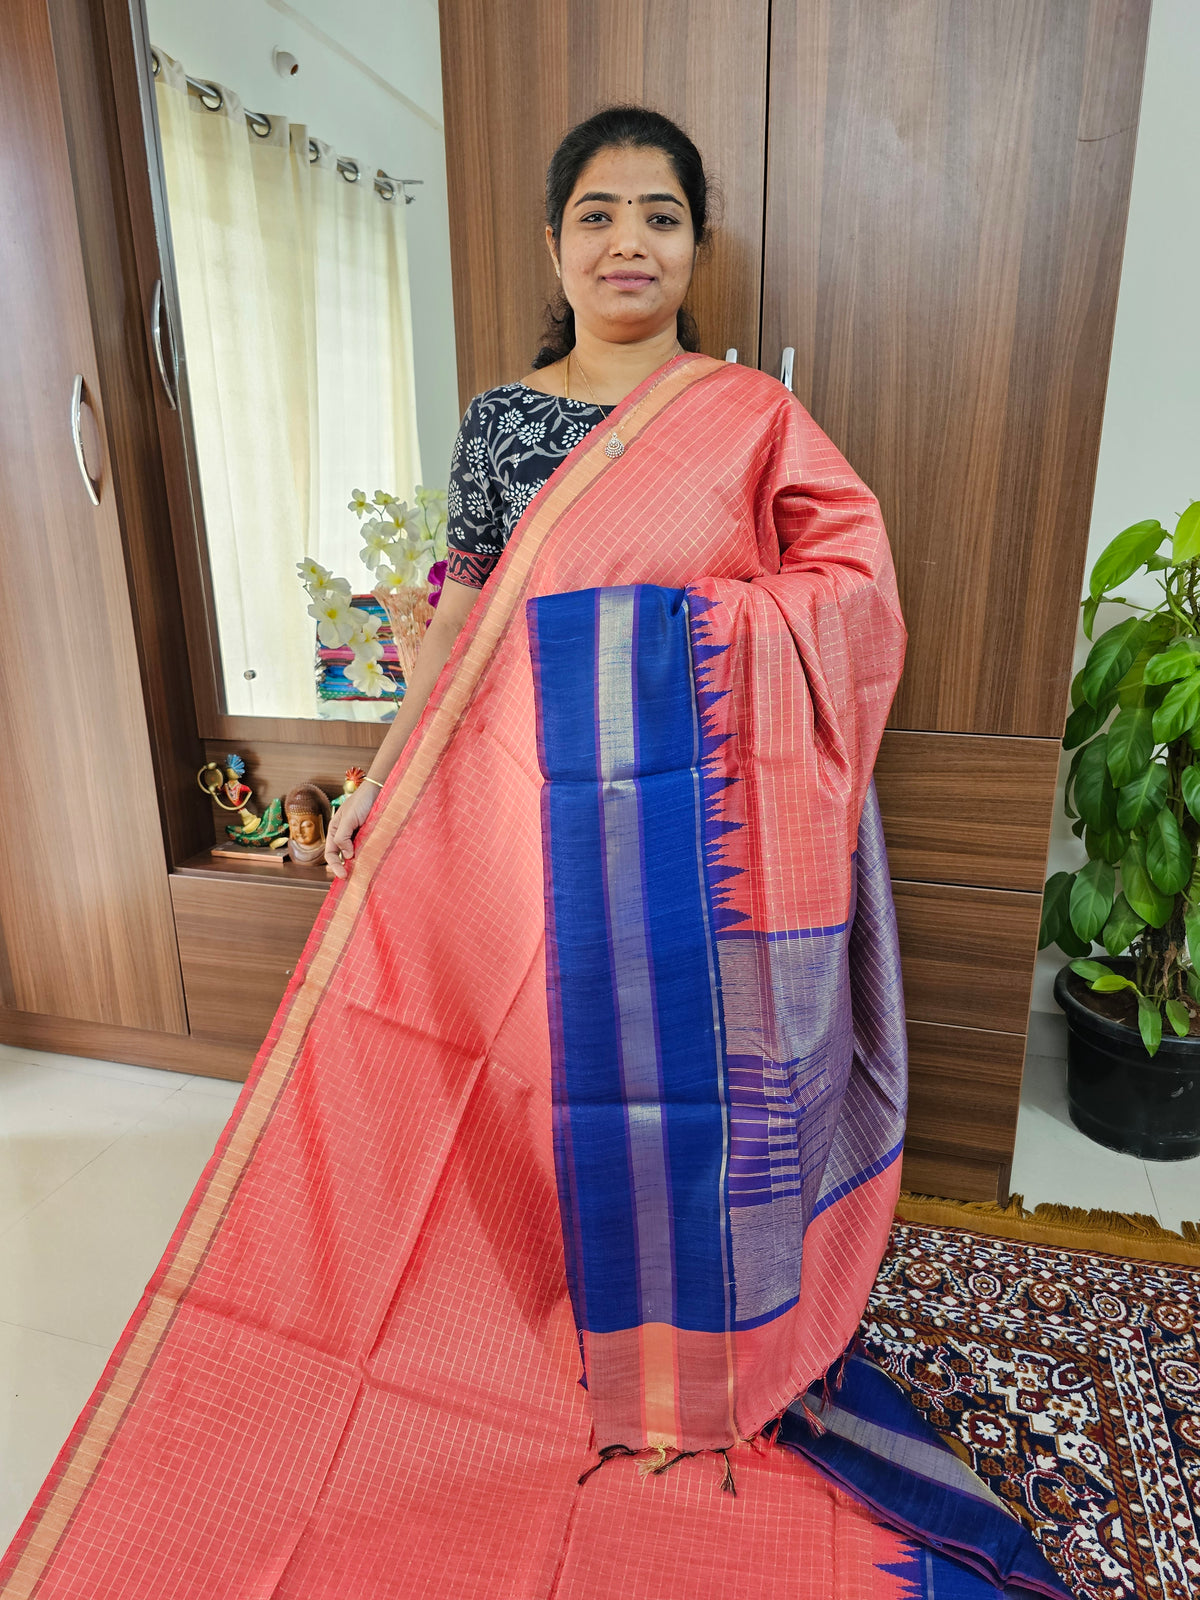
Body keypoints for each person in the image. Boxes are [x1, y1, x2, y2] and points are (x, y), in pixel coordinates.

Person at [1, 108, 1071, 1600]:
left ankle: (699, 1335)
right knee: (536, 1081)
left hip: (698, 855)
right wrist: (384, 778)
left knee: (691, 1085)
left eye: (660, 216)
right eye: (598, 214)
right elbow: (459, 613)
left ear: (696, 247)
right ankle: (551, 1316)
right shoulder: (505, 423)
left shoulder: (749, 413)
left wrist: (675, 643)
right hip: (528, 821)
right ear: (554, 244)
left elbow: (847, 590)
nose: (629, 242)